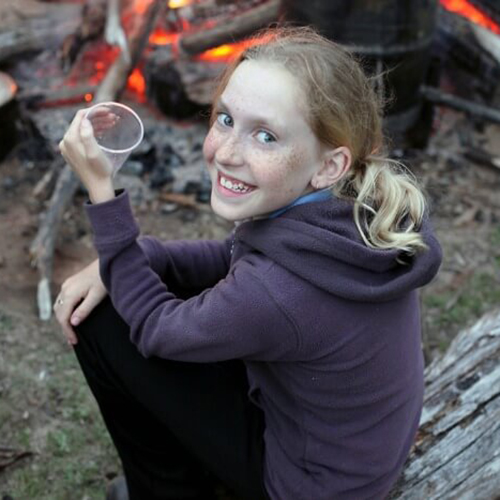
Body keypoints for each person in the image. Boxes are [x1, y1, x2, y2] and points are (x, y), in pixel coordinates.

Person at [55, 26, 442, 500]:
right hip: (343, 453)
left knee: (102, 318)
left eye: (265, 135)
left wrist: (103, 196)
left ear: (329, 164)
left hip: (302, 485)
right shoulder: (350, 207)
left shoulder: (277, 295)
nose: (228, 152)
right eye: (225, 120)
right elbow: (229, 259)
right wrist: (141, 256)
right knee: (124, 283)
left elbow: (158, 329)